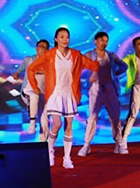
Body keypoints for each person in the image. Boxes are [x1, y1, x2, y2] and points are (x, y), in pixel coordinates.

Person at [27, 28, 99, 169]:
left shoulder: (75, 55)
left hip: (70, 94)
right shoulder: (50, 54)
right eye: (61, 37)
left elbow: (94, 65)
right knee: (57, 124)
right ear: (56, 39)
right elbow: (31, 68)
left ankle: (67, 158)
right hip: (55, 93)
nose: (65, 40)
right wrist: (34, 86)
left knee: (69, 125)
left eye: (67, 37)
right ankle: (50, 152)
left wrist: (94, 74)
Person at [78, 32, 128, 157]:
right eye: (102, 40)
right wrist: (88, 78)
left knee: (115, 117)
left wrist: (115, 74)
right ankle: (86, 145)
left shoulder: (111, 55)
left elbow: (124, 66)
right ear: (96, 41)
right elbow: (78, 67)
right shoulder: (89, 54)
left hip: (110, 88)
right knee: (92, 117)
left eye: (106, 41)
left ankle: (119, 143)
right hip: (95, 89)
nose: (104, 43)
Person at [12, 39, 49, 134]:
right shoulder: (28, 60)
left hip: (43, 93)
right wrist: (16, 74)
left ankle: (43, 136)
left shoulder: (49, 62)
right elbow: (20, 70)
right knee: (34, 96)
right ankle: (32, 123)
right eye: (41, 46)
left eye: (45, 47)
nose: (42, 49)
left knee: (44, 115)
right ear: (36, 48)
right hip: (28, 90)